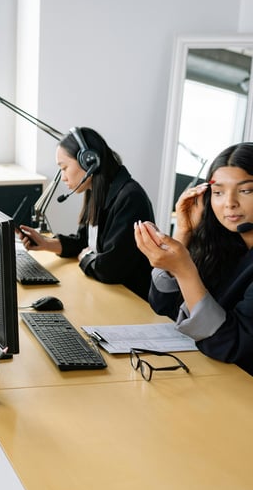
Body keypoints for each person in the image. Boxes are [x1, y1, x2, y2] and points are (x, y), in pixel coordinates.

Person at [135, 142, 253, 375]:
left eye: (246, 190)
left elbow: (230, 344)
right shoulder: (228, 244)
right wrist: (183, 233)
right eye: (218, 192)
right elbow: (165, 307)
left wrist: (184, 270)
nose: (229, 202)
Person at [18, 127, 155, 300]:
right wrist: (46, 243)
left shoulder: (130, 198)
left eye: (64, 167)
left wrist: (86, 257)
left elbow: (110, 269)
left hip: (130, 300)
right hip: (107, 294)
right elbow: (84, 242)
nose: (63, 177)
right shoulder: (97, 190)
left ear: (89, 162)